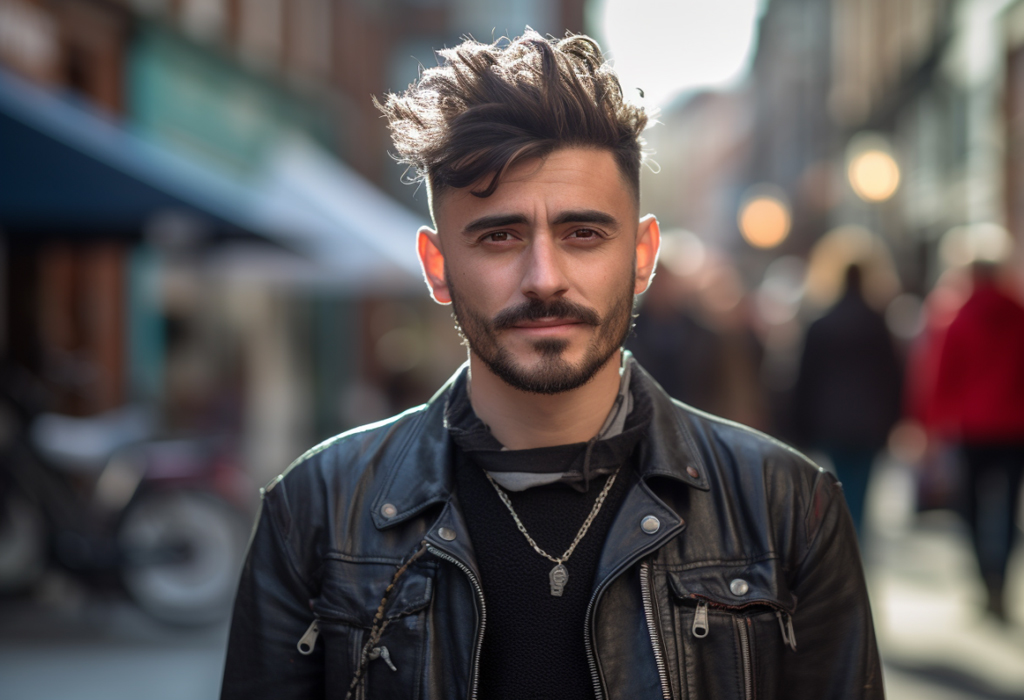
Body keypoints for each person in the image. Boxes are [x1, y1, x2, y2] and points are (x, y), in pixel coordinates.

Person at [221, 31, 882, 700]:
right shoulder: (314, 510)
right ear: (437, 265)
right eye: (500, 236)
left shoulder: (788, 507)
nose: (544, 278)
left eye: (583, 234)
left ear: (643, 254)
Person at [927, 261, 1024, 621]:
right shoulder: (1018, 314)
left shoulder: (959, 318)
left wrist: (932, 428)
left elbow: (942, 376)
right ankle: (1001, 578)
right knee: (1009, 508)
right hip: (1015, 427)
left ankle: (986, 578)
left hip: (973, 428)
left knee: (972, 507)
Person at [793, 264, 903, 537]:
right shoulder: (876, 323)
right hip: (870, 422)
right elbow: (893, 376)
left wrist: (802, 425)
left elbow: (805, 378)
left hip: (831, 422)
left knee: (838, 487)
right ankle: (856, 543)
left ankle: (847, 546)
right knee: (861, 492)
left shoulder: (821, 324)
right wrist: (893, 419)